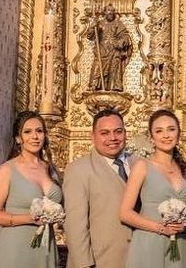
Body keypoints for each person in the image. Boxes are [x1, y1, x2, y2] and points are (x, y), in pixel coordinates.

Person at [0, 111, 62, 268]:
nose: (35, 136)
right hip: (15, 247)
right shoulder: (6, 170)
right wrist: (30, 218)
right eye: (28, 132)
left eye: (39, 131)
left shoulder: (50, 169)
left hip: (45, 248)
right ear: (18, 138)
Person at [120, 109, 186, 268]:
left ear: (178, 133)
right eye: (159, 131)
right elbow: (125, 213)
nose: (166, 135)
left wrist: (185, 225)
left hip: (180, 244)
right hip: (149, 243)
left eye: (171, 129)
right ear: (151, 137)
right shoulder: (142, 166)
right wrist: (161, 228)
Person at [64, 108, 137, 268]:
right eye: (104, 133)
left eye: (118, 131)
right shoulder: (79, 169)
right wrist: (84, 264)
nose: (113, 138)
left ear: (125, 133)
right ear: (93, 136)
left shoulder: (139, 163)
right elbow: (75, 225)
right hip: (100, 260)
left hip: (140, 257)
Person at [87, 4, 132, 92]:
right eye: (108, 10)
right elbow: (90, 36)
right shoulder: (99, 23)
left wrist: (121, 42)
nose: (110, 12)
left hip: (114, 51)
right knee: (97, 67)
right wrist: (93, 27)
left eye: (112, 11)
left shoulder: (118, 24)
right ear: (104, 12)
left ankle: (113, 87)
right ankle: (95, 86)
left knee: (114, 68)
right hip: (102, 51)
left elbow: (125, 36)